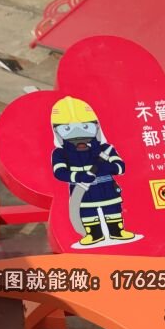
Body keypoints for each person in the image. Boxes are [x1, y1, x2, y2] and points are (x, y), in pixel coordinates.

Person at [50, 96, 138, 247]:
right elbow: (59, 172)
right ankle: (93, 234)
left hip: (107, 187)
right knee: (87, 211)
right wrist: (78, 176)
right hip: (82, 189)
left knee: (112, 208)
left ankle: (117, 231)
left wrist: (105, 168)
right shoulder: (60, 153)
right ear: (57, 131)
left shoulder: (105, 148)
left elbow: (120, 166)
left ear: (96, 126)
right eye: (67, 128)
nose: (77, 132)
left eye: (85, 126)